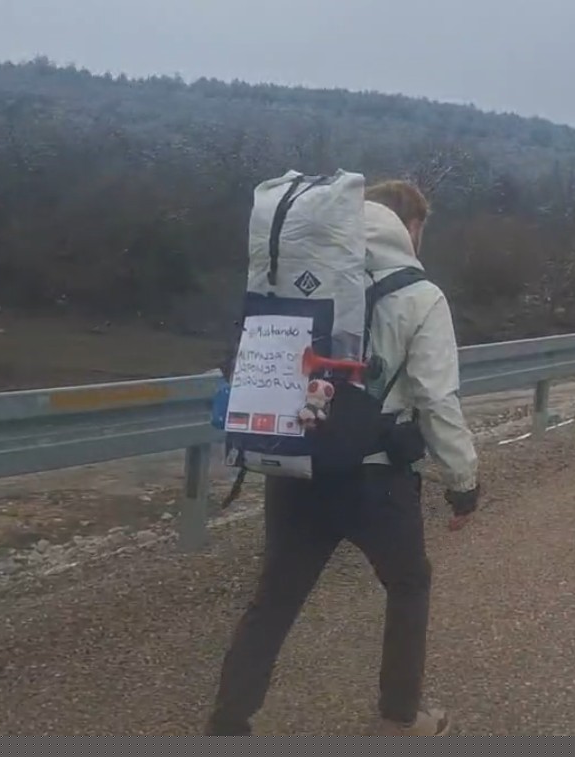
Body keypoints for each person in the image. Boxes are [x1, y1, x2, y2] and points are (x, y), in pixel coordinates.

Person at [205, 180, 481, 736]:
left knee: (275, 598)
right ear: (412, 226)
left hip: (298, 466)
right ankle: (400, 715)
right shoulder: (421, 295)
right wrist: (463, 481)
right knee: (408, 585)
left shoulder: (300, 278)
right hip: (376, 480)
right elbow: (435, 399)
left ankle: (229, 721)